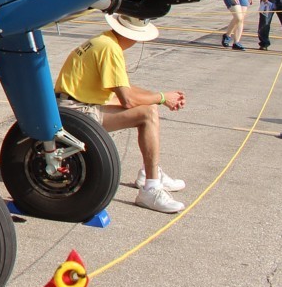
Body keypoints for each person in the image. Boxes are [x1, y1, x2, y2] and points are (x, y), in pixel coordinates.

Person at [53, 14, 188, 213]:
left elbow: (123, 89)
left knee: (148, 107)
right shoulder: (110, 49)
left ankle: (151, 173)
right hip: (76, 110)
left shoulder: (105, 41)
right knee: (148, 113)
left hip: (74, 104)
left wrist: (161, 96)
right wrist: (161, 98)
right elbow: (128, 99)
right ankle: (150, 188)